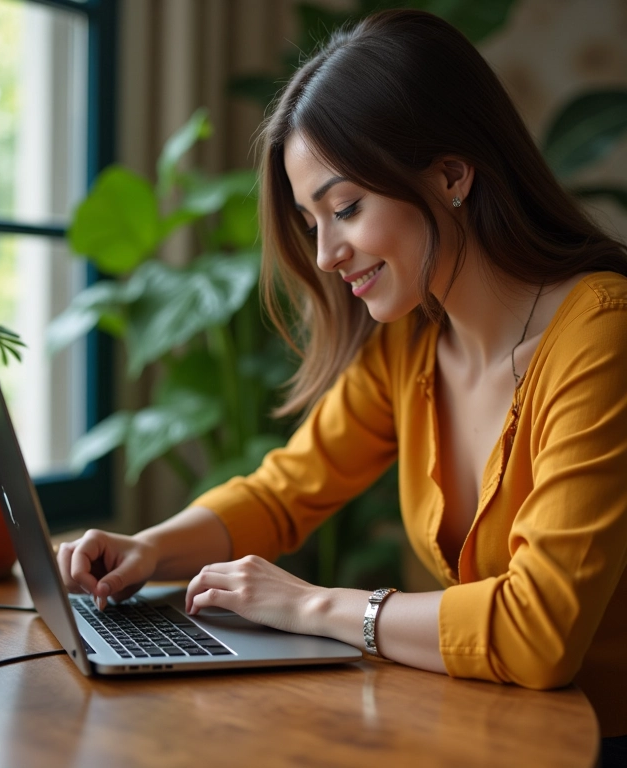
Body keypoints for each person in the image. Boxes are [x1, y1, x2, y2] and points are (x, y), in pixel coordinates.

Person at [57, 9, 627, 761]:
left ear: (452, 174)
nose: (325, 254)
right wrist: (150, 550)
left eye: (346, 208)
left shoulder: (600, 335)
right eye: (310, 221)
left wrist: (314, 605)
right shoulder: (412, 342)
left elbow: (539, 632)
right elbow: (287, 490)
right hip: (472, 729)